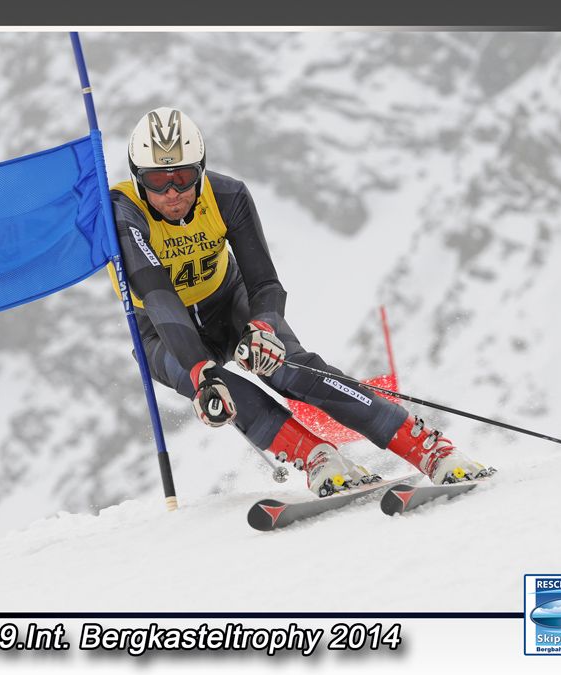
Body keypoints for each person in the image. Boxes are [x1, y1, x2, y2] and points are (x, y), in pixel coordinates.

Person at [108, 107, 491, 497]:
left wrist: (262, 328)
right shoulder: (121, 214)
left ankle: (428, 448)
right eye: (157, 181)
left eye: (183, 177)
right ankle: (318, 458)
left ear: (201, 170)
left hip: (226, 303)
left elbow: (264, 282)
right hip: (160, 328)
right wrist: (199, 372)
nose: (172, 193)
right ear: (138, 178)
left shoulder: (227, 195)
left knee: (290, 370)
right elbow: (158, 295)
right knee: (222, 390)